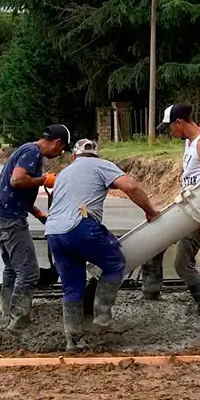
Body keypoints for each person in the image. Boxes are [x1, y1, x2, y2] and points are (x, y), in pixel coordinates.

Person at [45, 139, 159, 350]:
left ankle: (74, 341)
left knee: (72, 288)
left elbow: (54, 203)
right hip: (80, 226)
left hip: (54, 232)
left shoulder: (64, 173)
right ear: (96, 155)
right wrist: (150, 212)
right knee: (115, 264)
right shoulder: (101, 165)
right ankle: (102, 317)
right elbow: (131, 187)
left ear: (74, 156)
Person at [141, 103, 200, 330]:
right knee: (155, 240)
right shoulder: (190, 143)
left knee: (183, 264)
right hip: (184, 208)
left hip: (198, 214)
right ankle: (151, 293)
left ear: (179, 122)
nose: (170, 132)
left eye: (170, 128)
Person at [0, 123, 71, 331]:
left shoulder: (27, 150)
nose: (60, 153)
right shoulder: (32, 152)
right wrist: (45, 179)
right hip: (10, 219)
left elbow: (15, 190)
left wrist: (38, 214)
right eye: (61, 149)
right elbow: (17, 181)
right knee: (28, 273)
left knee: (12, 268)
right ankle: (19, 323)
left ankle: (8, 313)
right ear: (57, 142)